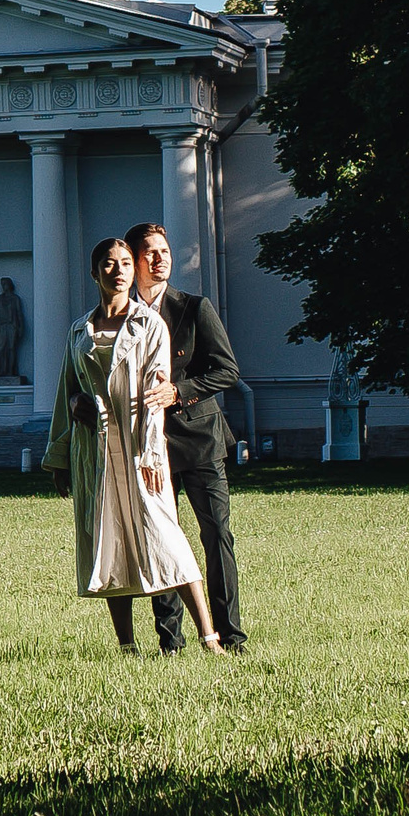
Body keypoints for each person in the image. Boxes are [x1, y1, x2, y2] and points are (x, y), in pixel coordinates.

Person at [43, 235, 225, 654]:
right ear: (95, 273)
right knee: (109, 544)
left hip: (142, 450)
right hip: (94, 451)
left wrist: (153, 455)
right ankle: (126, 645)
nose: (119, 270)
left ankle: (208, 637)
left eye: (126, 262)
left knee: (167, 540)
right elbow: (64, 394)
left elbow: (154, 397)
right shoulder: (78, 331)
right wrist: (59, 458)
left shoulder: (150, 326)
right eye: (109, 263)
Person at [126, 222, 248, 654]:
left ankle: (231, 637)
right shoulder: (120, 317)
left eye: (165, 251)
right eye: (150, 253)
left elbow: (227, 370)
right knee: (162, 540)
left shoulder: (194, 308)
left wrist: (179, 391)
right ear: (134, 260)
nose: (161, 260)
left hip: (200, 440)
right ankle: (170, 641)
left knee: (216, 537)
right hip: (147, 447)